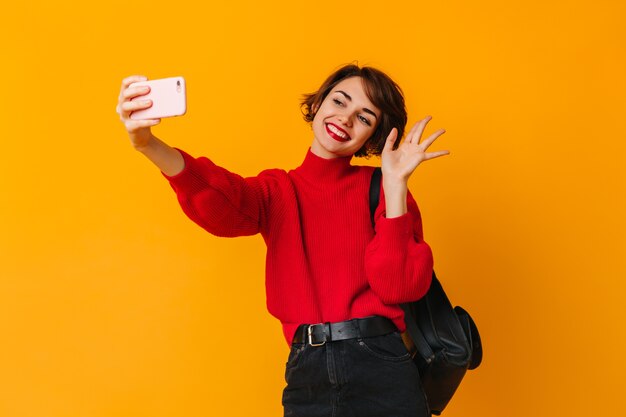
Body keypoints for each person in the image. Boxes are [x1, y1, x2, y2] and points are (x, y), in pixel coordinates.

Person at [116, 64, 449, 417]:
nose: (345, 118)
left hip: (382, 366)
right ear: (318, 103)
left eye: (364, 118)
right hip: (308, 371)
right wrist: (148, 144)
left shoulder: (382, 189)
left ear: (374, 137)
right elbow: (220, 199)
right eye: (339, 101)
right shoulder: (277, 192)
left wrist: (395, 185)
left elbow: (399, 287)